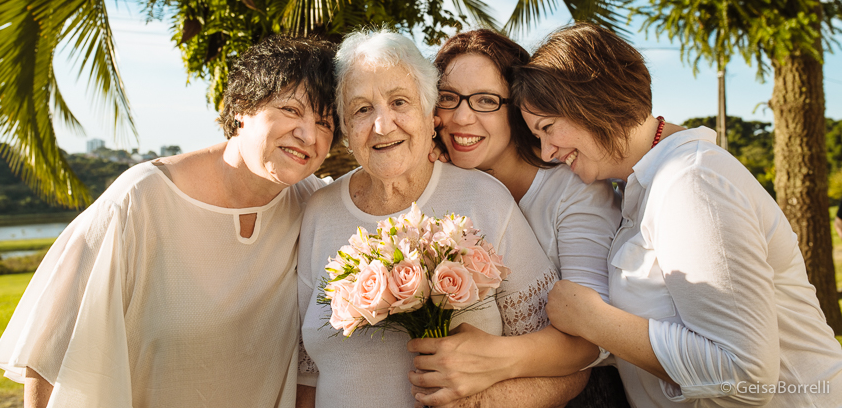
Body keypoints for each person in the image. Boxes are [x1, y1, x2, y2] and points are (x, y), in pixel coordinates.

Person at [0, 36, 340, 408]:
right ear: (241, 107)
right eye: (290, 110)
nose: (308, 135)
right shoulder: (139, 200)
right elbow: (51, 349)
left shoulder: (313, 206)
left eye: (324, 122)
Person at [513, 22, 842, 408]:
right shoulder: (647, 187)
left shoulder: (692, 182)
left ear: (590, 100)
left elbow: (743, 373)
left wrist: (593, 320)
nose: (547, 151)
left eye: (548, 128)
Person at [296, 29, 599, 408]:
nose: (382, 125)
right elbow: (306, 375)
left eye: (400, 102)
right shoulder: (319, 211)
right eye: (361, 109)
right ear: (344, 126)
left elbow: (570, 363)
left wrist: (479, 403)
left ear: (429, 114)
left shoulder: (484, 199)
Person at [406, 29, 628, 407]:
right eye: (448, 98)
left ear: (518, 108)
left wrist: (492, 360)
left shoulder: (574, 189)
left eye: (486, 101)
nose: (462, 117)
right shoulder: (442, 180)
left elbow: (596, 335)